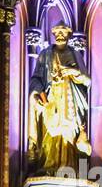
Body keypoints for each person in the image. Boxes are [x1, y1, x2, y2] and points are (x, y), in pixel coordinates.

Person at [28, 25, 92, 175]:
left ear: (69, 35)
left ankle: (70, 167)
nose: (60, 35)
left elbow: (87, 81)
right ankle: (48, 165)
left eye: (63, 32)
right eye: (57, 32)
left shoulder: (75, 55)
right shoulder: (45, 55)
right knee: (50, 133)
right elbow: (36, 78)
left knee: (68, 133)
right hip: (51, 101)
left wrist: (73, 72)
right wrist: (36, 94)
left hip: (71, 103)